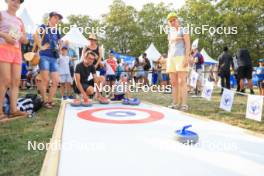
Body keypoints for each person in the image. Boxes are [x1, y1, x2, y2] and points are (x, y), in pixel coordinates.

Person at [0, 0, 29, 120]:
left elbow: (26, 40)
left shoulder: (20, 21)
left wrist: (22, 38)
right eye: (13, 0)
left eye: (19, 2)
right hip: (3, 49)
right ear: (7, 1)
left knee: (16, 81)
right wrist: (5, 35)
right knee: (5, 81)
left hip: (16, 52)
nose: (16, 3)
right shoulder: (1, 14)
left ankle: (13, 109)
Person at [36, 11, 63, 108]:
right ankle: (44, 101)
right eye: (55, 17)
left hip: (54, 58)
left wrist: (60, 47)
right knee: (46, 80)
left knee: (56, 81)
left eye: (58, 18)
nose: (57, 20)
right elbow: (35, 35)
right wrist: (41, 46)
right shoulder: (43, 26)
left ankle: (50, 100)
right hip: (44, 56)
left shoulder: (56, 30)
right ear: (50, 18)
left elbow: (60, 41)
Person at [166, 12, 191, 111]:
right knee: (173, 82)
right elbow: (170, 46)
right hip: (171, 58)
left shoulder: (183, 29)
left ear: (177, 20)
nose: (172, 22)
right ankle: (175, 103)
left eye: (174, 20)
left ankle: (184, 104)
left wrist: (186, 58)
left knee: (182, 81)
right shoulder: (170, 32)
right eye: (170, 21)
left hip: (181, 57)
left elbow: (188, 45)